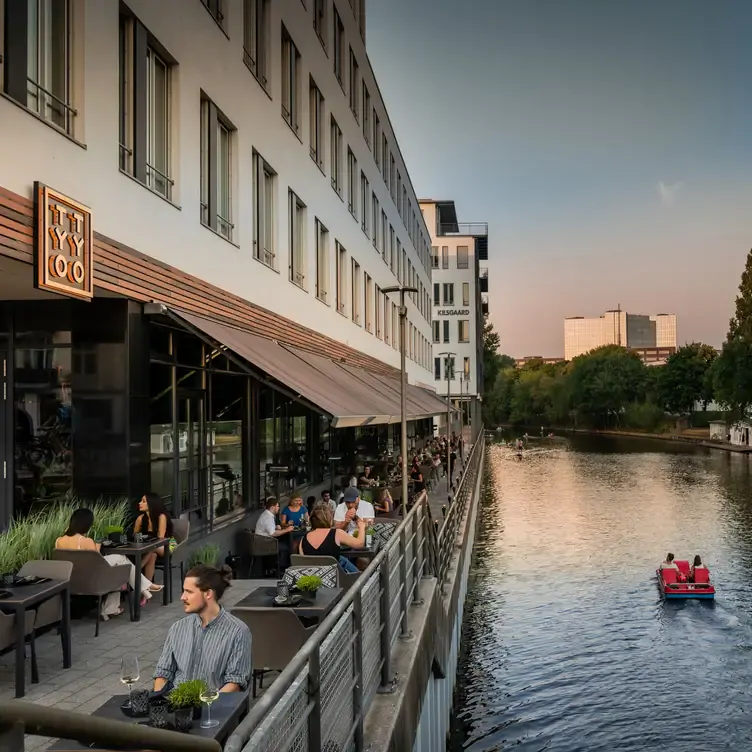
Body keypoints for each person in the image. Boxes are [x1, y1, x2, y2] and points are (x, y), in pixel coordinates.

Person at [153, 565, 251, 693]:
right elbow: (163, 673)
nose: (183, 597)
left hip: (213, 707)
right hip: (175, 706)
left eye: (189, 592)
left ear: (208, 594)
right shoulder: (177, 628)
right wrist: (160, 702)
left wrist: (208, 704)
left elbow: (235, 682)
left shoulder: (238, 631)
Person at [55, 508, 161, 619]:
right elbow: (97, 562)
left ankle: (112, 608)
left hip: (72, 580)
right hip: (92, 580)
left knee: (119, 567)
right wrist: (98, 546)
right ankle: (146, 586)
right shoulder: (86, 541)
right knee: (120, 560)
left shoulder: (59, 541)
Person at [299, 505, 363, 574]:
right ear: (329, 519)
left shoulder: (303, 539)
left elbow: (303, 562)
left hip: (313, 579)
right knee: (342, 560)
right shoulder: (336, 533)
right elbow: (360, 544)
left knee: (342, 559)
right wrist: (362, 526)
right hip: (336, 578)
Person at [134, 493, 174, 582]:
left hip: (167, 544)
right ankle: (147, 589)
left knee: (152, 548)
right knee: (152, 555)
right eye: (141, 501)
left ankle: (136, 569)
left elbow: (161, 538)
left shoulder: (161, 517)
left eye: (143, 501)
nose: (140, 503)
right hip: (150, 547)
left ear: (151, 503)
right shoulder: (140, 519)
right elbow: (135, 536)